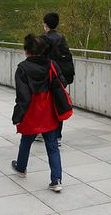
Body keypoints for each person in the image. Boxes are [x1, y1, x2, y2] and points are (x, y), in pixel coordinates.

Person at [11, 34, 64, 192]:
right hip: (49, 112)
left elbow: (23, 97)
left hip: (32, 113)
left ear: (26, 51)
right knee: (52, 146)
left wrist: (17, 117)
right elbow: (62, 83)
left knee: (26, 141)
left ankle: (21, 168)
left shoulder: (22, 68)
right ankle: (56, 179)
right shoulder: (51, 65)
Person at [40, 12, 74, 146]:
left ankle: (43, 132)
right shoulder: (62, 38)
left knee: (44, 105)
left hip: (47, 77)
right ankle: (57, 136)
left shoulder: (43, 39)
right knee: (59, 104)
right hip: (61, 77)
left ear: (46, 24)